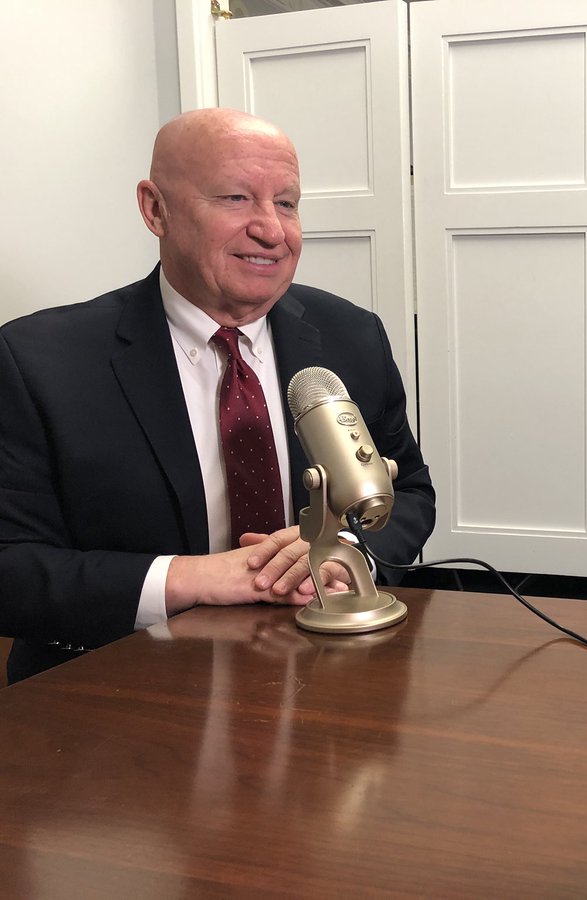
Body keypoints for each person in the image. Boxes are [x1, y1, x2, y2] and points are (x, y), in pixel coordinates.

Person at [0, 108, 435, 683]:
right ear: (155, 209)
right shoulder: (35, 359)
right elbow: (12, 565)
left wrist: (343, 550)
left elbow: (408, 492)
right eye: (235, 198)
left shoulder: (352, 336)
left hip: (325, 678)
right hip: (114, 691)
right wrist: (198, 578)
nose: (272, 231)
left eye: (286, 203)